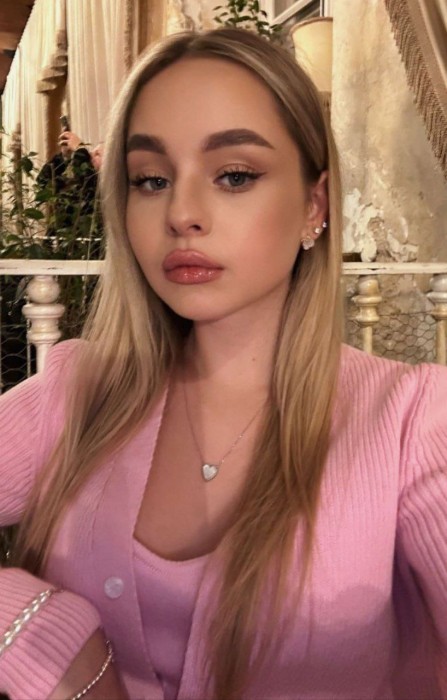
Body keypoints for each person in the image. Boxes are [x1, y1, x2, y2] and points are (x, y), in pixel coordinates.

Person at [0, 27, 446, 700]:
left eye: (235, 175)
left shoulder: (413, 423)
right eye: (151, 180)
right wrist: (43, 634)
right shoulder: (76, 390)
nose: (181, 214)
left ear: (314, 205)